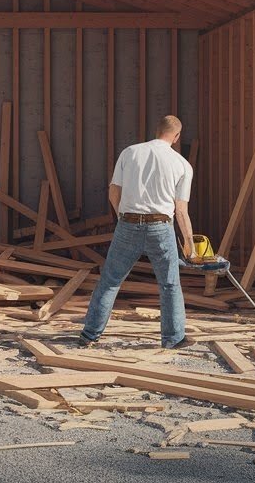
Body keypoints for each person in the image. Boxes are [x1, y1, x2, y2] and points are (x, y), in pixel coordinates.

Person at [80, 115, 194, 349]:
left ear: (157, 130)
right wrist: (190, 245)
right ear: (177, 136)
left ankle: (89, 335)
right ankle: (173, 339)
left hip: (128, 224)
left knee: (110, 282)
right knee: (169, 284)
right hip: (161, 227)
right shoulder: (182, 164)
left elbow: (113, 193)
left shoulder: (130, 153)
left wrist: (124, 216)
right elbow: (181, 211)